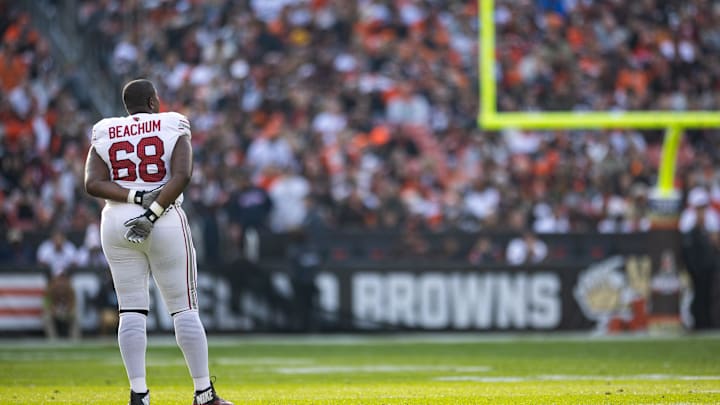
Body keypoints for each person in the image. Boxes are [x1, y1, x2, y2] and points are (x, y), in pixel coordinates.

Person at [83, 79, 232, 405]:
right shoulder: (172, 123)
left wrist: (135, 195)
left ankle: (139, 394)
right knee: (184, 309)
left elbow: (93, 183)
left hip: (117, 219)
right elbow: (182, 175)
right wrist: (151, 213)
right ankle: (204, 394)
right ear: (153, 101)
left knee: (131, 310)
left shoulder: (105, 130)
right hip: (163, 218)